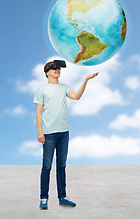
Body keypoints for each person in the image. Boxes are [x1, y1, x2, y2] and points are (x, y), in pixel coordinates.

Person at [33, 60, 99, 210]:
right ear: (47, 72)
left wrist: (86, 80)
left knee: (61, 166)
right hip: (49, 133)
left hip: (64, 132)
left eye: (59, 69)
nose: (57, 70)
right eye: (54, 68)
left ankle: (62, 197)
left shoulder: (63, 88)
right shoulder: (42, 90)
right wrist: (39, 131)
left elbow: (76, 96)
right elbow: (38, 112)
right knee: (47, 166)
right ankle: (44, 198)